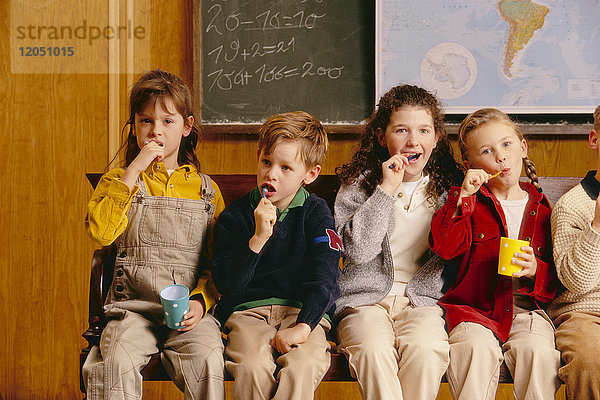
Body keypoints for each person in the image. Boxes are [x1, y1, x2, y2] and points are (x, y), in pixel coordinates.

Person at [82, 69, 225, 400]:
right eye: (146, 121)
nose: (155, 132)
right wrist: (134, 170)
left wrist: (202, 302)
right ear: (134, 127)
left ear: (187, 127)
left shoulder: (206, 191)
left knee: (208, 359)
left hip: (188, 313)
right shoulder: (120, 180)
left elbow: (219, 260)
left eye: (167, 122)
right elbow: (102, 233)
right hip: (131, 309)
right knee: (114, 360)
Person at [333, 84, 464, 400]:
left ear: (435, 138)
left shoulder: (451, 192)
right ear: (382, 137)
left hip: (423, 301)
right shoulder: (358, 187)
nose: (412, 141)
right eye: (401, 130)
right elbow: (358, 250)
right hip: (364, 301)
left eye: (423, 130)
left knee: (427, 350)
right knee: (373, 350)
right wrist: (386, 190)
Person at [429, 108, 561, 399]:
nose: (500, 157)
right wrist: (464, 196)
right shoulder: (468, 201)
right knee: (472, 351)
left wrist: (536, 270)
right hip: (474, 311)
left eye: (506, 144)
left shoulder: (543, 209)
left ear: (522, 147)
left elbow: (556, 276)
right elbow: (445, 247)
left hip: (527, 311)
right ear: (470, 164)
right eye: (487, 151)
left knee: (538, 353)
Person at [211, 111, 341, 400]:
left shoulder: (316, 214)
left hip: (302, 312)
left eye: (285, 168)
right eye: (267, 162)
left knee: (302, 366)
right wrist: (258, 239)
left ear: (310, 174)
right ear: (258, 156)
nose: (271, 174)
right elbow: (227, 285)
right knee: (252, 367)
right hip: (248, 313)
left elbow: (327, 273)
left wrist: (305, 325)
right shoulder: (236, 216)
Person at [549, 104, 600, 400]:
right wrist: (596, 226)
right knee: (591, 361)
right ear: (594, 140)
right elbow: (576, 282)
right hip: (582, 314)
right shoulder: (573, 206)